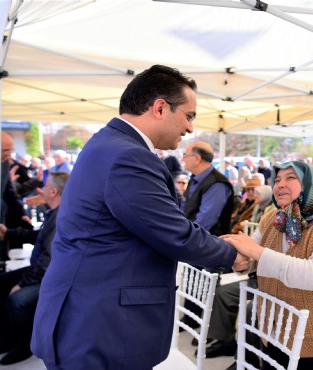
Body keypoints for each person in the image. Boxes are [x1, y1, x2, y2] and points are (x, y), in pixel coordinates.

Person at [31, 65, 244, 369]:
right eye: (189, 115)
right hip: (102, 324)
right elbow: (174, 233)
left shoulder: (109, 144)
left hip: (91, 313)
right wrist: (235, 255)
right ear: (159, 107)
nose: (190, 129)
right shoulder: (128, 156)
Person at [222, 161, 313, 370]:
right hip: (277, 328)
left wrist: (255, 253)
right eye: (277, 179)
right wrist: (241, 261)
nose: (280, 184)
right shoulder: (274, 217)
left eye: (291, 178)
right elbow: (253, 258)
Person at [0, 171, 69, 365]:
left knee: (17, 300)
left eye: (44, 186)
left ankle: (23, 347)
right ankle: (6, 340)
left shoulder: (62, 215)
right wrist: (11, 233)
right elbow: (39, 237)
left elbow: (48, 260)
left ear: (53, 191)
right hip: (43, 271)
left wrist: (23, 283)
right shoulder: (56, 210)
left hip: (52, 276)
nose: (40, 189)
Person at [182, 142, 234, 236]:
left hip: (209, 244)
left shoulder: (217, 184)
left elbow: (204, 222)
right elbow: (185, 208)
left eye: (185, 155)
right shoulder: (194, 179)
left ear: (197, 158)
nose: (183, 159)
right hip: (193, 239)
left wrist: (182, 236)